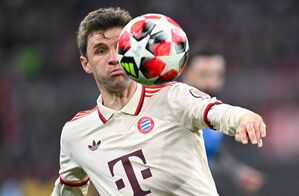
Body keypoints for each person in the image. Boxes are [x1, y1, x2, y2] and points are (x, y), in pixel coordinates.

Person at [51, 7, 266, 196]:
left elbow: (215, 111)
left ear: (135, 51)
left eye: (119, 48)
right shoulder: (75, 134)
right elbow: (67, 190)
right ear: (85, 63)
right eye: (100, 50)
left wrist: (245, 117)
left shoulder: (171, 96)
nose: (113, 58)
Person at [182, 48, 266, 195]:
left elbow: (214, 154)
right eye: (204, 74)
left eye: (217, 75)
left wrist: (237, 172)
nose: (211, 82)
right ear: (186, 74)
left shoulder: (215, 114)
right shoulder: (174, 112)